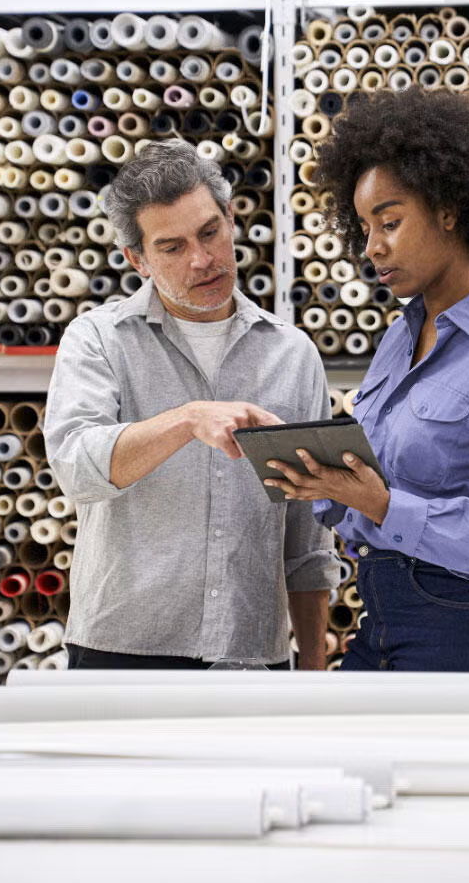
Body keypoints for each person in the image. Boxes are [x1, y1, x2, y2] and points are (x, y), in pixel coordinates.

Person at [264, 87, 469, 672]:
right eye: (364, 227)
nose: (373, 247)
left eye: (390, 222)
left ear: (448, 210)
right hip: (387, 617)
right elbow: (384, 492)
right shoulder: (401, 337)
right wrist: (325, 482)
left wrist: (383, 506)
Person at [44, 140, 337, 671]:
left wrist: (314, 670)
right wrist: (187, 419)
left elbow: (307, 537)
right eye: (172, 248)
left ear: (230, 219)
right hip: (122, 650)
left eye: (209, 232)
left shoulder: (292, 354)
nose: (202, 261)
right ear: (137, 259)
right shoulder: (98, 339)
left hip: (250, 654)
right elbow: (76, 467)